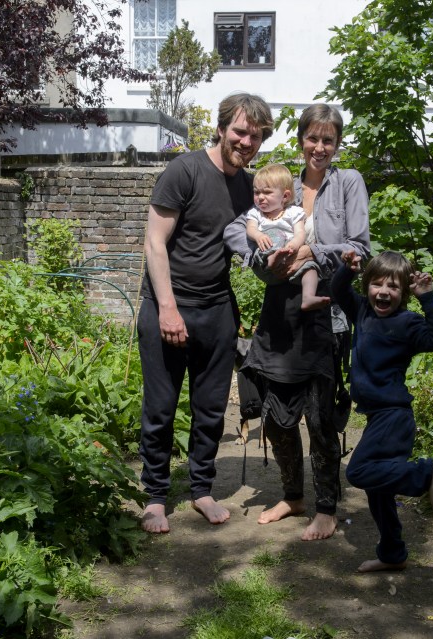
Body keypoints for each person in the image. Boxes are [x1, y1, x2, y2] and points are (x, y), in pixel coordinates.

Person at [224, 103, 370, 541]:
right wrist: (260, 256)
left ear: (338, 143)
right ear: (302, 137)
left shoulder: (348, 183)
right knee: (276, 415)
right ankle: (293, 495)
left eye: (329, 140)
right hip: (278, 315)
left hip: (324, 309)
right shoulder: (279, 183)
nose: (319, 147)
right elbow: (237, 226)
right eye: (313, 137)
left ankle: (326, 505)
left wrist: (309, 253)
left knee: (321, 415)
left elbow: (359, 246)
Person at [138, 92, 274, 534]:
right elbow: (154, 242)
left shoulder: (247, 186)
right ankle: (155, 498)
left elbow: (268, 230)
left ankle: (201, 490)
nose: (246, 140)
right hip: (167, 306)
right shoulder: (185, 170)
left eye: (255, 135)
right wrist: (168, 310)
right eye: (239, 131)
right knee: (160, 408)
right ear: (220, 128)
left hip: (216, 308)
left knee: (211, 408)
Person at [331, 249, 433, 572]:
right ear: (367, 285)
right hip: (377, 417)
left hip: (394, 416)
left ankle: (428, 472)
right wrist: (348, 269)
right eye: (377, 284)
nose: (384, 292)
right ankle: (392, 553)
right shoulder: (362, 312)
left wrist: (427, 298)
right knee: (378, 488)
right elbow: (338, 290)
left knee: (357, 472)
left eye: (394, 287)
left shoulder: (408, 323)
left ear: (404, 294)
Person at [245, 163, 329, 311]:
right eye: (256, 192)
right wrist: (258, 235)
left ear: (285, 196)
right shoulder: (256, 213)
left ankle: (308, 296)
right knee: (271, 240)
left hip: (291, 256)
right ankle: (273, 259)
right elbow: (250, 229)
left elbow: (300, 233)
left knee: (311, 268)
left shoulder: (293, 212)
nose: (260, 198)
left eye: (267, 192)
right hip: (268, 259)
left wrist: (294, 245)